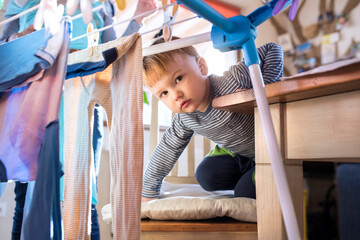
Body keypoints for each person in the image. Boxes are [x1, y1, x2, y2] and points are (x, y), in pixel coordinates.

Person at [0, 0, 156, 239]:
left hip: (81, 99)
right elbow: (4, 52)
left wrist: (137, 18)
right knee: (27, 191)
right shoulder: (25, 4)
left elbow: (115, 51)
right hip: (33, 104)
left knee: (83, 189)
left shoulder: (96, 6)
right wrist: (26, 35)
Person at [141, 37, 283, 202]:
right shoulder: (184, 119)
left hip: (268, 149)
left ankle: (254, 174)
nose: (175, 95)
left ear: (201, 67)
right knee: (205, 175)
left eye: (178, 79)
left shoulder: (234, 79)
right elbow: (166, 150)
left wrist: (263, 89)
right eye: (164, 93)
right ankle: (249, 171)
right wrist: (147, 192)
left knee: (244, 194)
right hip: (237, 154)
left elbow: (271, 48)